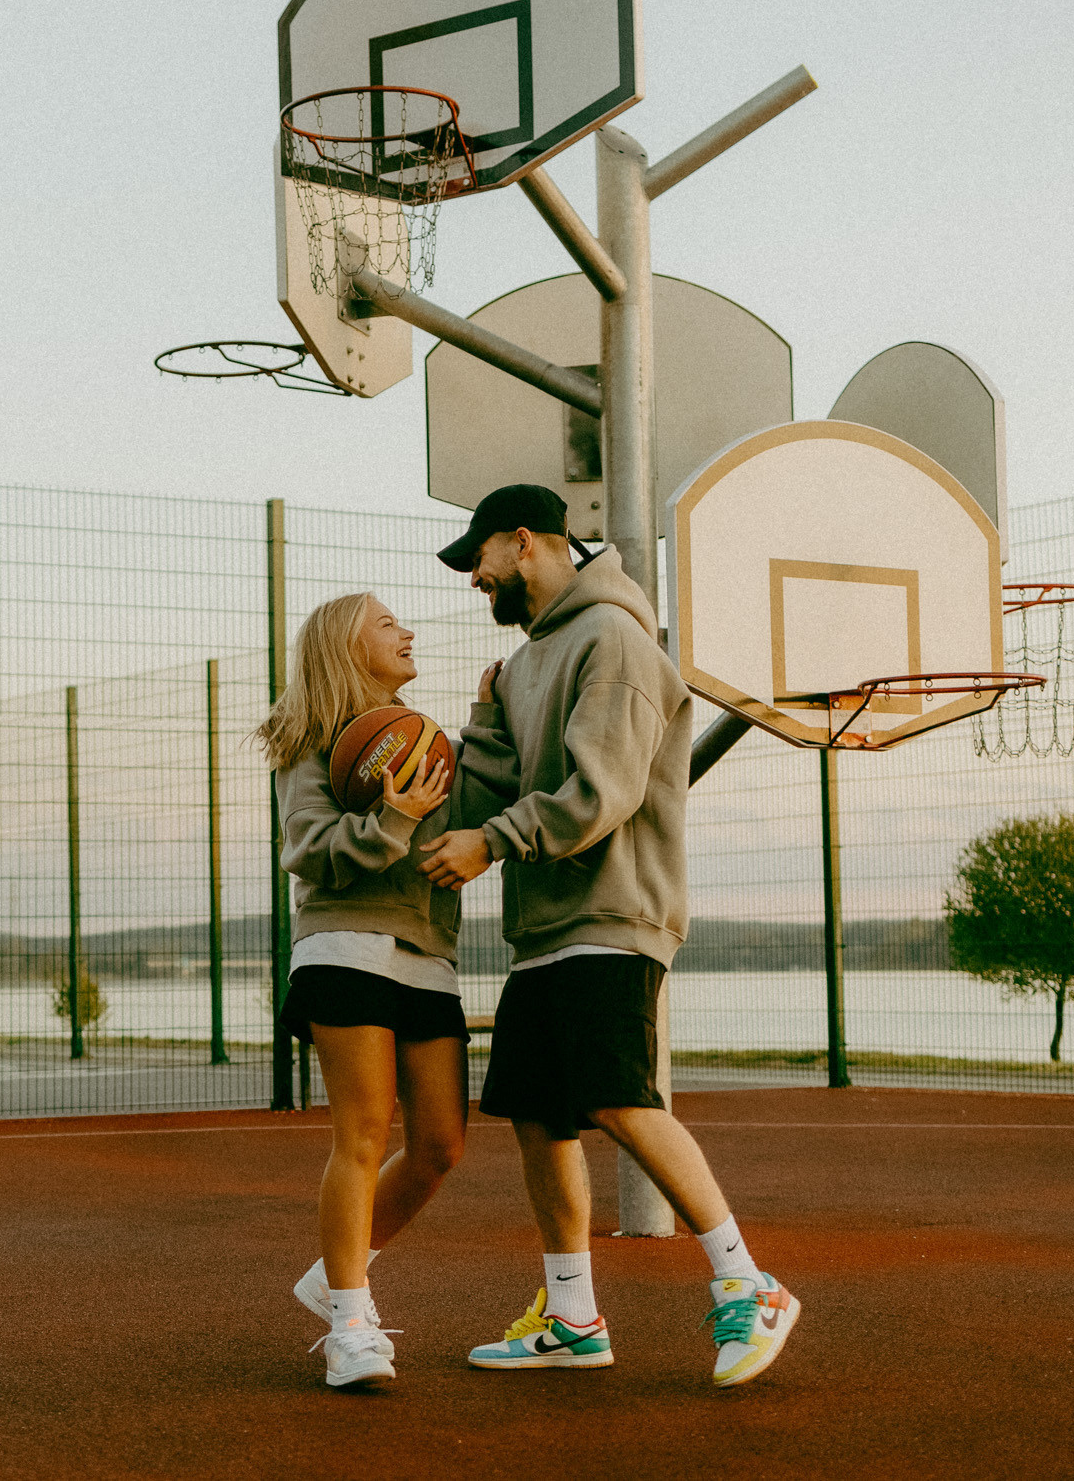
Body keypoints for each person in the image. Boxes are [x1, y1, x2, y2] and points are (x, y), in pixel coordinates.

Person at [417, 484, 802, 1389]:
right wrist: (481, 723)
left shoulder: (616, 640)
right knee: (539, 1117)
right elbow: (490, 793)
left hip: (615, 913)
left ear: (525, 541)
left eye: (480, 557)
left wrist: (493, 842)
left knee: (620, 1098)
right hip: (545, 927)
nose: (473, 577)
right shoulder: (524, 665)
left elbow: (603, 791)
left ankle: (749, 1282)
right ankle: (573, 1316)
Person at [256, 590, 472, 1389]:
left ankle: (334, 1273)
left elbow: (477, 804)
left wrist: (490, 720)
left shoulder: (419, 736)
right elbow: (308, 848)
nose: (406, 631)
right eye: (387, 624)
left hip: (427, 949)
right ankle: (350, 1324)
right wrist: (391, 819)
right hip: (343, 942)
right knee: (363, 1134)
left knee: (441, 1144)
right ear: (348, 646)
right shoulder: (313, 739)